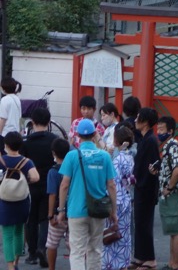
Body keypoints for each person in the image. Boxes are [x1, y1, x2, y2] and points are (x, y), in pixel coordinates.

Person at [57, 119, 117, 270]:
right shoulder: (104, 156)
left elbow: (64, 185)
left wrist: (61, 209)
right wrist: (113, 210)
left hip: (76, 210)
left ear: (77, 135)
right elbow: (111, 185)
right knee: (95, 249)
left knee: (77, 251)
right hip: (98, 209)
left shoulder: (72, 156)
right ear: (94, 134)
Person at [21, 106, 57, 267]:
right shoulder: (54, 140)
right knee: (45, 219)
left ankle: (32, 253)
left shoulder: (26, 142)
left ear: (32, 122)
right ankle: (43, 248)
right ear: (49, 122)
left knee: (31, 220)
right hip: (49, 185)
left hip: (30, 184)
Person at [0, 131, 40, 270]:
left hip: (5, 201)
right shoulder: (26, 162)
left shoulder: (2, 160)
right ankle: (16, 262)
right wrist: (24, 180)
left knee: (7, 234)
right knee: (19, 231)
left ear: (6, 145)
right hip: (22, 200)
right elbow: (36, 177)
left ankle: (10, 266)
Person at [154, 116, 178, 270]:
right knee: (173, 229)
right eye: (158, 129)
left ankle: (176, 263)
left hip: (173, 193)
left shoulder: (172, 146)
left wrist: (170, 188)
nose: (158, 132)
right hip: (171, 192)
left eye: (162, 129)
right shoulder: (168, 146)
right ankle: (172, 261)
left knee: (175, 228)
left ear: (170, 131)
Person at [102, 126, 135, 270]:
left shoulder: (116, 160)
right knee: (123, 235)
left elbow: (112, 184)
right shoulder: (130, 157)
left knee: (110, 235)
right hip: (127, 199)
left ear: (116, 141)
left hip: (116, 200)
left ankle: (109, 265)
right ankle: (124, 264)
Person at [131, 107, 160, 269]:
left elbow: (152, 166)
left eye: (138, 118)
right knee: (140, 222)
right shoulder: (144, 138)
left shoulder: (150, 141)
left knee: (144, 223)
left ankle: (150, 258)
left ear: (146, 122)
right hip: (141, 186)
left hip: (146, 188)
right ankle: (141, 256)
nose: (135, 121)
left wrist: (140, 182)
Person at [45, 138, 70, 270]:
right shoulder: (72, 168)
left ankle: (51, 268)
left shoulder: (53, 171)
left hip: (58, 213)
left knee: (52, 243)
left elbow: (52, 194)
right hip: (73, 211)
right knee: (73, 244)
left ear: (53, 153)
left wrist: (50, 214)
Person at [0, 77, 22, 149]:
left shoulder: (4, 100)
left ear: (4, 88)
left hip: (5, 134)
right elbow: (20, 117)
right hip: (15, 133)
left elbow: (2, 119)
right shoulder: (17, 98)